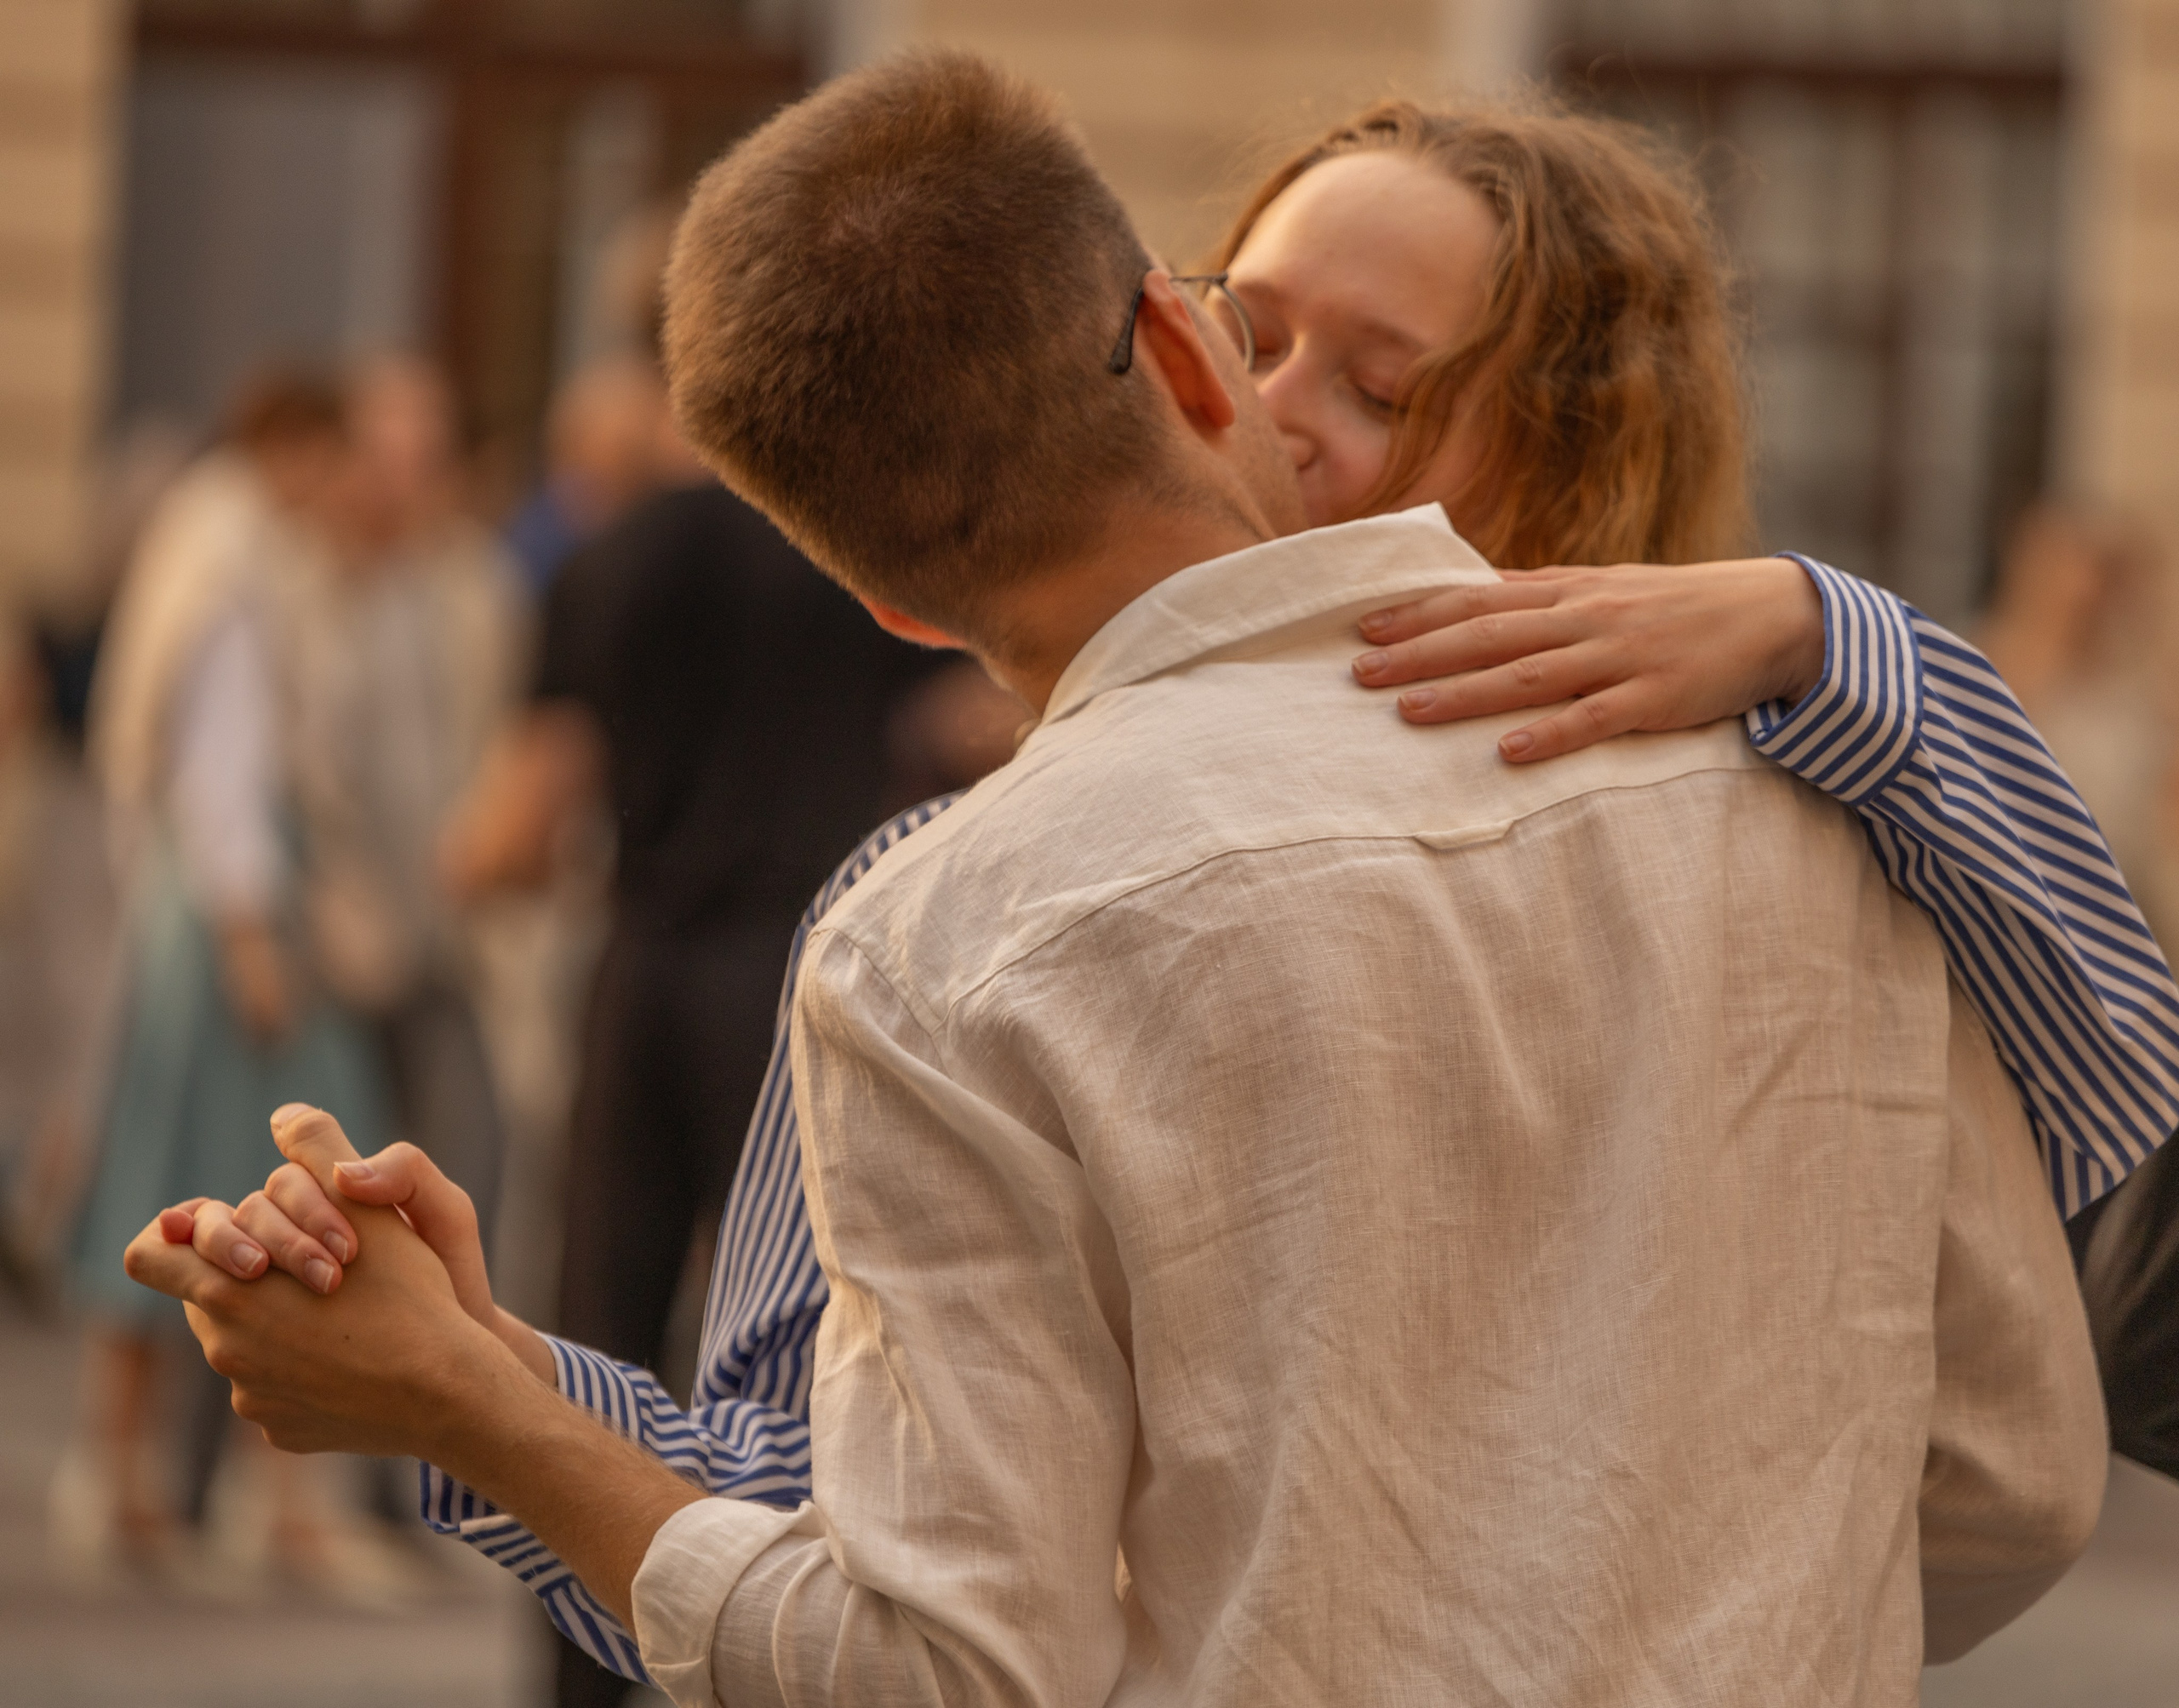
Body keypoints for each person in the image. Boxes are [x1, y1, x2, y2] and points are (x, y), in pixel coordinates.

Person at [132, 54, 2113, 1705]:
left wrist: (484, 1419)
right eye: (1259, 331)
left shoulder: (960, 929)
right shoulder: (1812, 790)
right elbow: (2005, 1477)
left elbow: (942, 1652)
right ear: (1179, 336)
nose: (1284, 411)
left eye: (1385, 382)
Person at [62, 372, 390, 1581]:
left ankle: (128, 1471)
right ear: (297, 446)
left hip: (190, 904)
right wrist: (255, 944)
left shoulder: (214, 534)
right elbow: (223, 770)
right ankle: (250, 1495)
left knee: (165, 1169)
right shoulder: (235, 559)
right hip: (228, 912)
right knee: (279, 1185)